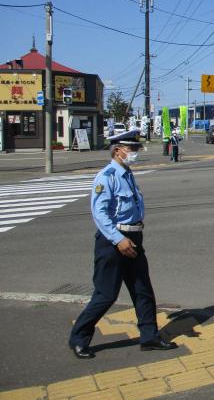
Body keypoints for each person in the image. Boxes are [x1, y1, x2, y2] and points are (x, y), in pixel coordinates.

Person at [68, 130, 177, 359]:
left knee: (142, 290)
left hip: (133, 238)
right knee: (106, 295)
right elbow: (100, 214)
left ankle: (149, 337)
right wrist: (119, 240)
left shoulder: (127, 174)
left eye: (136, 149)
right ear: (118, 151)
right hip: (113, 241)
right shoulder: (106, 177)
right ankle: (79, 337)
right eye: (132, 149)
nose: (135, 153)